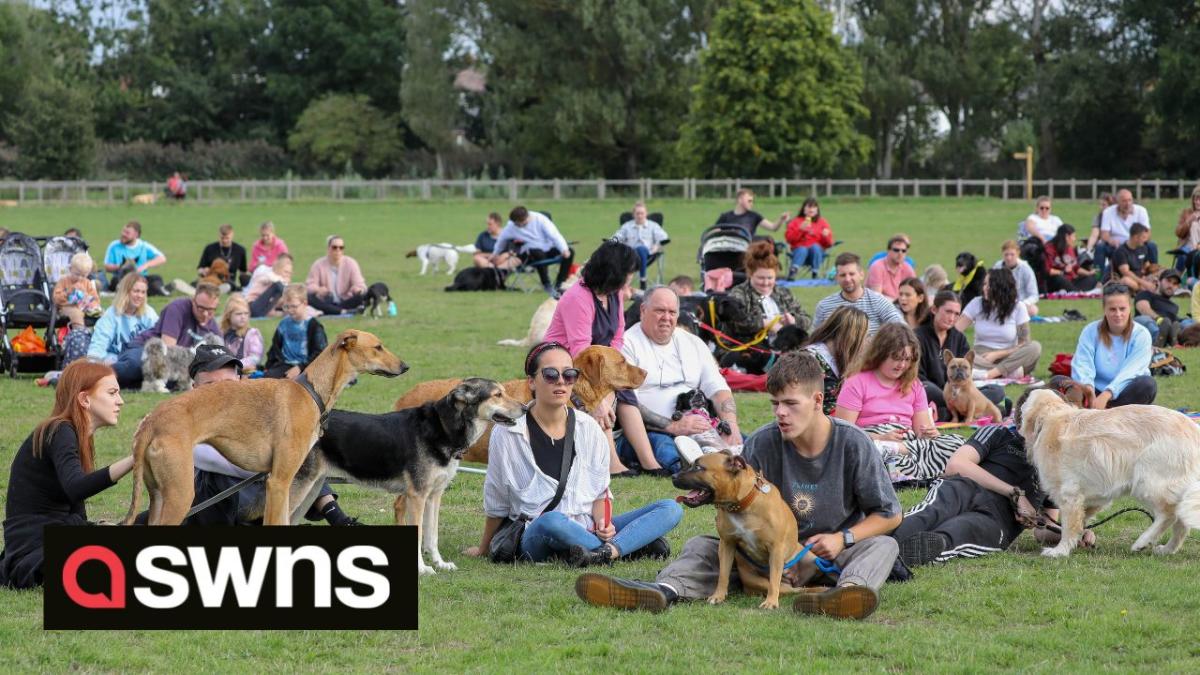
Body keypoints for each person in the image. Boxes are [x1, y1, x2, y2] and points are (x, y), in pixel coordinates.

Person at [574, 351, 902, 620]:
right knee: (703, 545)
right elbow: (734, 502)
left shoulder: (853, 443)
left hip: (830, 553)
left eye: (791, 403)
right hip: (763, 552)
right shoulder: (761, 443)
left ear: (817, 400)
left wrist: (842, 538)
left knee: (883, 546)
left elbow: (889, 514)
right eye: (775, 404)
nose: (781, 414)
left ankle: (845, 596)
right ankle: (664, 590)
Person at [467, 342, 682, 565]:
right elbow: (497, 501)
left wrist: (603, 523)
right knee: (553, 521)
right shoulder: (508, 433)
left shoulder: (589, 428)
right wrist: (485, 548)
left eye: (569, 375)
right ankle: (627, 546)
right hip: (537, 531)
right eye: (550, 374)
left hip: (587, 526)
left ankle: (604, 551)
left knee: (670, 508)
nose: (561, 381)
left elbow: (600, 494)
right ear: (531, 381)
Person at [129, 344, 359, 527]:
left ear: (240, 381)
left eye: (228, 383)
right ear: (193, 387)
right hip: (219, 499)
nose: (221, 391)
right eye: (210, 385)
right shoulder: (184, 417)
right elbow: (242, 465)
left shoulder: (252, 410)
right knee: (288, 459)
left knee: (305, 455)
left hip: (257, 492)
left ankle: (335, 515)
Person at [0, 361, 134, 588]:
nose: (120, 401)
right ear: (84, 399)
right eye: (112, 393)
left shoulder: (75, 434)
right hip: (34, 549)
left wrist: (94, 527)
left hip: (51, 538)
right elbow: (77, 487)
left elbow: (75, 508)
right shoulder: (60, 430)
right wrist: (134, 459)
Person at [892, 422, 1092, 569]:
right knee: (930, 513)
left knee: (959, 531)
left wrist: (1072, 532)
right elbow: (956, 465)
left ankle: (914, 551)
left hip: (998, 521)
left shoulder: (1054, 464)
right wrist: (1015, 494)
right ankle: (879, 543)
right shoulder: (999, 433)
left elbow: (1043, 530)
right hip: (965, 487)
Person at [543, 240, 643, 475]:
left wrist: (612, 378)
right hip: (563, 365)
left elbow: (618, 337)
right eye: (629, 273)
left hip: (597, 363)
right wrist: (601, 397)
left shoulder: (614, 294)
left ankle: (649, 461)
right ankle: (612, 464)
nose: (631, 278)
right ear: (614, 272)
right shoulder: (578, 297)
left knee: (625, 390)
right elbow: (580, 350)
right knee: (598, 396)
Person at [618, 287, 742, 474]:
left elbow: (719, 390)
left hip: (703, 424)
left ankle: (716, 459)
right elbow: (629, 403)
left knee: (747, 443)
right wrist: (673, 426)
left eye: (672, 312)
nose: (666, 318)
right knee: (669, 453)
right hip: (655, 431)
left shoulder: (693, 342)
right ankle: (710, 465)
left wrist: (731, 426)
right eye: (660, 310)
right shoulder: (627, 344)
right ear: (643, 310)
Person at [834, 323, 967, 482]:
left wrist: (930, 433)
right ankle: (905, 465)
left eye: (907, 359)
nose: (902, 365)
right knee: (864, 452)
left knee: (958, 444)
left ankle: (901, 463)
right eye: (896, 358)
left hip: (908, 443)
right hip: (871, 439)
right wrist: (881, 437)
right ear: (880, 354)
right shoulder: (856, 382)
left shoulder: (914, 385)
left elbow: (922, 431)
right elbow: (844, 432)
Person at [916, 290, 1006, 422]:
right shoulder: (918, 336)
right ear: (934, 309)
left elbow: (967, 370)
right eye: (948, 311)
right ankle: (969, 411)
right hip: (931, 389)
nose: (952, 318)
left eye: (956, 314)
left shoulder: (959, 338)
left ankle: (954, 412)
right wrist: (948, 392)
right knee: (930, 390)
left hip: (960, 390)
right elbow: (917, 375)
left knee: (997, 390)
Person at [111, 282, 221, 389]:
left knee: (169, 381)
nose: (206, 314)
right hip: (149, 349)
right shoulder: (178, 308)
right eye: (201, 308)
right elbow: (168, 348)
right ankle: (100, 375)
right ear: (193, 301)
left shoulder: (213, 331)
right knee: (136, 367)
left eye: (211, 310)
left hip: (176, 366)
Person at [722, 241, 811, 372]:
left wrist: (793, 320)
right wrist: (766, 323)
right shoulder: (738, 293)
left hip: (785, 350)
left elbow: (807, 319)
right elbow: (736, 321)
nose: (766, 283)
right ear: (750, 274)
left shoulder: (783, 293)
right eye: (761, 278)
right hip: (750, 351)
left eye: (770, 278)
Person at [1071, 283, 1156, 408]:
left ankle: (1109, 413)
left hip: (1124, 393)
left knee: (1148, 384)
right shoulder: (1090, 331)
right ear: (1104, 309)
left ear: (1130, 308)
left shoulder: (1141, 335)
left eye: (1122, 309)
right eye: (1112, 309)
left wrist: (1108, 393)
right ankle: (1096, 410)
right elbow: (1083, 363)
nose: (1118, 314)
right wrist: (1088, 388)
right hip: (1094, 393)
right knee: (1059, 382)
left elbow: (1132, 371)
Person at [955, 267, 1041, 380]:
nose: (984, 288)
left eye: (988, 285)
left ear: (1001, 286)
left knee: (1035, 347)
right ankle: (1006, 373)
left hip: (1010, 356)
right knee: (962, 357)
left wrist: (998, 354)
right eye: (984, 284)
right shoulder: (976, 303)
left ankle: (989, 374)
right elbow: (955, 330)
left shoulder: (1018, 307)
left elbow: (1024, 343)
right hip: (981, 356)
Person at [490, 206, 575, 297]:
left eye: (520, 224)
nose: (518, 226)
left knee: (570, 252)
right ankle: (546, 284)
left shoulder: (540, 219)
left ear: (526, 218)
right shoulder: (511, 226)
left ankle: (560, 283)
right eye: (516, 224)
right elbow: (501, 241)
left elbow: (554, 235)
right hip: (531, 253)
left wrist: (564, 249)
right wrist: (495, 254)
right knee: (537, 252)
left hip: (548, 247)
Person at [813, 252, 905, 335]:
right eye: (843, 275)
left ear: (861, 275)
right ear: (836, 277)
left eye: (852, 274)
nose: (847, 279)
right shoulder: (824, 306)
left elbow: (901, 328)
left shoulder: (878, 301)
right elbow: (816, 340)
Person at [802, 306, 869, 415]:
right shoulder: (810, 360)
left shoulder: (846, 359)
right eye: (865, 336)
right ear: (853, 337)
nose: (866, 341)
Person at [85, 273, 159, 364]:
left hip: (139, 360)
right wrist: (93, 363)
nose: (140, 296)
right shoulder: (111, 314)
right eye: (136, 291)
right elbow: (100, 341)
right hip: (115, 360)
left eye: (143, 292)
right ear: (126, 292)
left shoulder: (148, 313)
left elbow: (158, 336)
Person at [263, 284, 328, 380]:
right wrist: (268, 366)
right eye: (286, 307)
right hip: (285, 364)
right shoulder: (283, 324)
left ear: (305, 303)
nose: (290, 310)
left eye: (294, 306)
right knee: (268, 380)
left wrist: (300, 368)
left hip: (308, 366)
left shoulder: (313, 326)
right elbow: (275, 348)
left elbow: (320, 353)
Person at [1097, 189, 1157, 278]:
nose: (1128, 204)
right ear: (1117, 202)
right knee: (1100, 247)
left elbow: (1148, 233)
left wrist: (1138, 240)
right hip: (1117, 246)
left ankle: (1154, 276)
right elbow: (1104, 234)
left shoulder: (1141, 211)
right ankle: (1099, 279)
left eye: (1130, 200)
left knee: (1152, 246)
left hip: (1137, 244)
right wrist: (1111, 240)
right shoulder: (1108, 212)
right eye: (1124, 201)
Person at [613, 201, 669, 290]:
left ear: (646, 214)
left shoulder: (653, 226)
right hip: (630, 254)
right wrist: (612, 241)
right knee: (638, 250)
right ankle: (643, 280)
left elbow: (664, 237)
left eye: (642, 213)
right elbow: (618, 236)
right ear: (633, 214)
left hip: (649, 254)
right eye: (637, 213)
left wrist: (657, 246)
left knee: (641, 249)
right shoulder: (627, 226)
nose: (640, 216)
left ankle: (628, 282)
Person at [306, 235, 367, 315]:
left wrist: (357, 289)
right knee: (308, 297)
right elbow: (309, 285)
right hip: (326, 301)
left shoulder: (351, 263)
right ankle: (342, 311)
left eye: (341, 248)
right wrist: (318, 289)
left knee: (361, 297)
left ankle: (332, 311)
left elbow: (361, 285)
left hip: (345, 301)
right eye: (334, 247)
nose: (338, 250)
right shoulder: (318, 264)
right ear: (328, 249)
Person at [102, 221, 167, 292]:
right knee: (115, 280)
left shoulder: (143, 246)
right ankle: (150, 290)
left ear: (136, 234)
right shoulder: (114, 246)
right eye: (123, 231)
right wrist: (120, 267)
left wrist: (146, 265)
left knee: (157, 278)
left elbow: (162, 258)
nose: (123, 234)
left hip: (140, 277)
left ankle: (155, 289)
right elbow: (107, 267)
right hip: (122, 278)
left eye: (127, 233)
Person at [1133, 269, 1188, 347]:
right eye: (1168, 281)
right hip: (1146, 325)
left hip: (1167, 329)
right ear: (1159, 281)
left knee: (1187, 322)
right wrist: (1158, 319)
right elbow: (1142, 308)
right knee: (1144, 319)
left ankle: (1172, 340)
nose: (1171, 285)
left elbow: (1174, 323)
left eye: (1175, 283)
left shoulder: (1174, 306)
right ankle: (1158, 338)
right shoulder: (1145, 294)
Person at [785, 197, 834, 280]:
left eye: (814, 207)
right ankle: (793, 271)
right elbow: (789, 239)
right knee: (803, 249)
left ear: (817, 210)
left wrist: (825, 236)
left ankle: (815, 272)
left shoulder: (822, 222)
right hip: (799, 251)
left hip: (816, 253)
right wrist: (800, 230)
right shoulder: (796, 221)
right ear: (804, 209)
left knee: (815, 247)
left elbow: (829, 244)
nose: (811, 209)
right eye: (809, 207)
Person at [51, 252, 101, 329]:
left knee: (102, 314)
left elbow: (96, 300)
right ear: (70, 269)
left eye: (83, 275)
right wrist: (67, 293)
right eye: (77, 274)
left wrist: (86, 296)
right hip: (67, 307)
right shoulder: (63, 281)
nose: (80, 278)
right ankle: (80, 334)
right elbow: (56, 299)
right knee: (76, 314)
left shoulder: (87, 283)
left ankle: (100, 336)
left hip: (86, 308)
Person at [1044, 224, 1098, 293]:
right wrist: (1063, 272)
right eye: (1073, 236)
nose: (1075, 239)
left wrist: (1089, 273)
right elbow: (1047, 271)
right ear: (1067, 237)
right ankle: (1076, 292)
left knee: (1092, 278)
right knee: (1059, 279)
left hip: (1071, 280)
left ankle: (1074, 291)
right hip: (1057, 280)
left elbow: (1075, 267)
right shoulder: (1049, 248)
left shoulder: (1069, 248)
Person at [993, 240, 1040, 316]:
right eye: (1006, 255)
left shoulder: (1026, 268)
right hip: (1001, 302)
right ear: (1002, 254)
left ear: (1018, 254)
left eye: (1012, 254)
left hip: (1020, 303)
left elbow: (1034, 295)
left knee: (1033, 310)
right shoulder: (997, 267)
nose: (1009, 258)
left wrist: (1023, 304)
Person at [716, 188, 788, 238]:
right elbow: (713, 233)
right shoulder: (725, 216)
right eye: (749, 201)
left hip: (747, 249)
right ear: (740, 200)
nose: (752, 203)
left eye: (752, 201)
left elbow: (773, 227)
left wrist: (781, 219)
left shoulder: (754, 216)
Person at [219, 295, 264, 372]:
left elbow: (256, 357)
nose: (243, 317)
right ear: (228, 315)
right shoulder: (221, 333)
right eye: (239, 314)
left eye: (246, 313)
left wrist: (237, 365)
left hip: (245, 372)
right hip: (224, 371)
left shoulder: (252, 334)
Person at [197, 223, 249, 290]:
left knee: (229, 285)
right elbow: (200, 268)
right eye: (222, 238)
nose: (224, 241)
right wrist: (203, 271)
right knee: (199, 282)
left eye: (227, 238)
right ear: (218, 235)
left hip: (228, 280)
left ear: (232, 235)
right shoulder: (209, 248)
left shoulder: (240, 250)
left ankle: (217, 289)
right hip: (210, 277)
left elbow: (243, 271)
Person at [243, 253, 293, 318]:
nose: (287, 275)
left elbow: (276, 301)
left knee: (281, 292)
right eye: (286, 272)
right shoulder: (269, 275)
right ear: (278, 269)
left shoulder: (281, 285)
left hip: (262, 311)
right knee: (278, 286)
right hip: (251, 306)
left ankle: (291, 309)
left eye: (290, 273)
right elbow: (270, 280)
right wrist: (284, 284)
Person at [867, 235, 916, 300]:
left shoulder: (908, 268)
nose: (900, 253)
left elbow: (915, 292)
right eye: (896, 250)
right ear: (888, 250)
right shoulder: (877, 266)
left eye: (903, 251)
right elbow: (876, 297)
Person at [1109, 223, 1154, 291]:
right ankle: (1142, 290)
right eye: (1143, 237)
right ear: (1136, 237)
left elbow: (1147, 266)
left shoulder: (1143, 248)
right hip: (1129, 279)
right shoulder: (1121, 251)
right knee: (1126, 281)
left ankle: (1143, 290)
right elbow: (1126, 272)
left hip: (1141, 278)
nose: (1145, 240)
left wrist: (1152, 274)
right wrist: (1144, 283)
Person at [1174, 185, 1200, 279]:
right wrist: (1189, 221)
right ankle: (1176, 279)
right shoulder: (1187, 213)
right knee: (1183, 255)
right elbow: (1178, 233)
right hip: (1187, 246)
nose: (1197, 202)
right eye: (1196, 199)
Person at [1085, 192, 1116, 256]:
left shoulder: (1116, 218)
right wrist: (1088, 249)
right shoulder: (1098, 217)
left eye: (1104, 205)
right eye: (1100, 204)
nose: (1101, 207)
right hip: (1103, 244)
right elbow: (1094, 235)